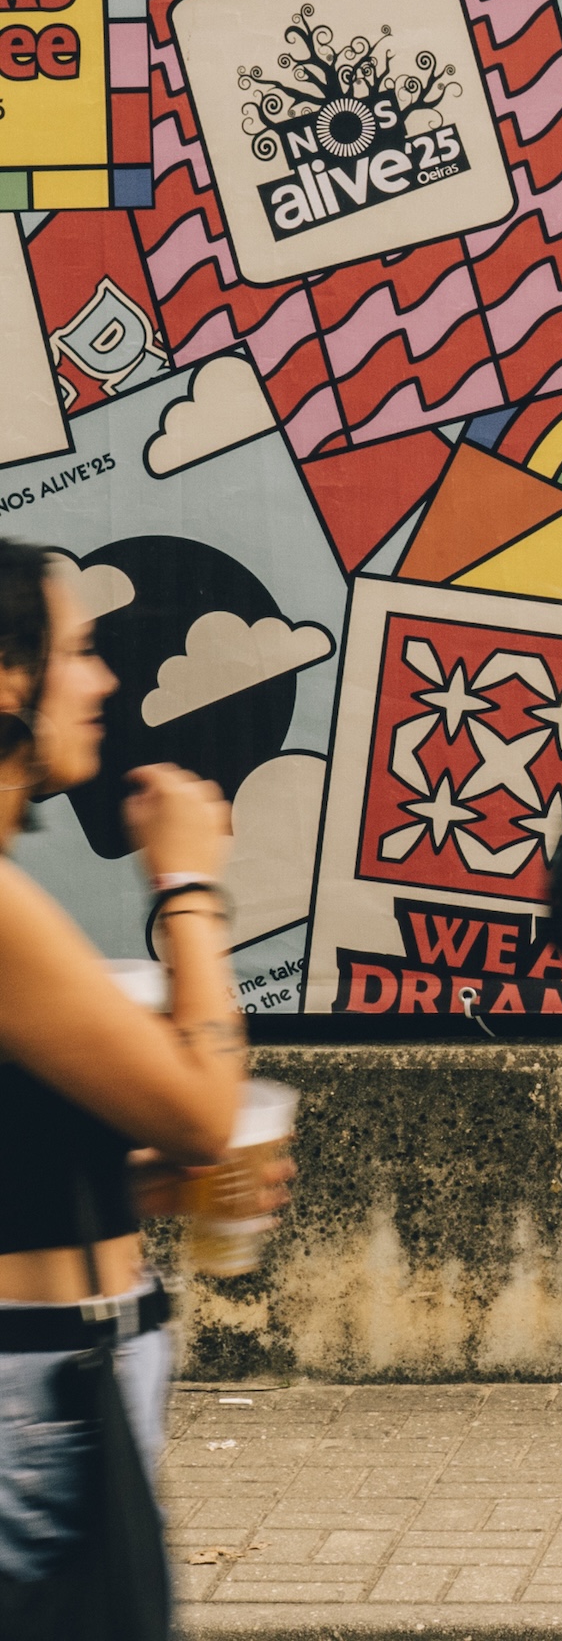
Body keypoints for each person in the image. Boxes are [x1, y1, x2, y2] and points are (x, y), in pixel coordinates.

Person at [0, 542, 250, 1585]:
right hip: (39, 1391)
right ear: (8, 678)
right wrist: (188, 881)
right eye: (82, 649)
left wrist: (143, 1185)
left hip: (65, 1367)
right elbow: (204, 1108)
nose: (106, 679)